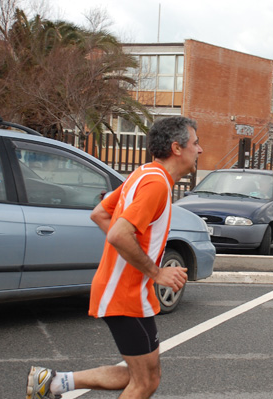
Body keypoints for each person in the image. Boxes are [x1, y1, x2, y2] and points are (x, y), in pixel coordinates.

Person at [26, 116, 203, 399]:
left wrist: (135, 252)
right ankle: (52, 383)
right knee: (146, 381)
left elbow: (100, 214)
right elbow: (118, 234)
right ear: (176, 148)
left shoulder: (143, 174)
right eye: (195, 143)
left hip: (123, 289)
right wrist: (156, 272)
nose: (200, 150)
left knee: (141, 375)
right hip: (125, 292)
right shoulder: (155, 184)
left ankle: (53, 383)